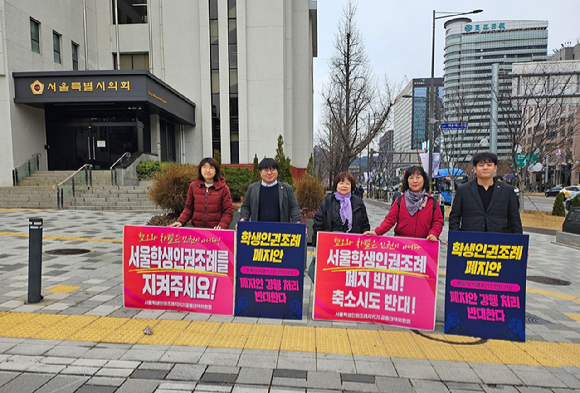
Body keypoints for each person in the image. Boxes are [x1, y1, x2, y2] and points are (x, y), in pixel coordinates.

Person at [308, 172, 370, 281]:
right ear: (336, 185)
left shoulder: (358, 203)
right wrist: (318, 243)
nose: (344, 186)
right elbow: (318, 223)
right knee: (331, 278)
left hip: (352, 249)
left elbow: (364, 225)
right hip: (331, 249)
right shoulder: (327, 202)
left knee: (348, 279)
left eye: (347, 183)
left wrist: (365, 245)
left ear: (352, 186)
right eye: (341, 183)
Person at [363, 166, 443, 241]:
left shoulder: (432, 202)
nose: (415, 181)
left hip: (424, 247)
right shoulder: (400, 201)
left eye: (418, 177)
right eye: (411, 178)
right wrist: (377, 232)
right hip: (401, 246)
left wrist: (433, 234)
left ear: (424, 180)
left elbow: (438, 222)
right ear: (407, 181)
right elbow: (389, 220)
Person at [449, 152, 522, 233]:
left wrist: (519, 241)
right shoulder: (463, 190)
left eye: (489, 165)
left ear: (495, 168)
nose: (485, 168)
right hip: (470, 240)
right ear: (475, 169)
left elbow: (515, 220)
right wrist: (455, 237)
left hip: (499, 240)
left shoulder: (508, 190)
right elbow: (454, 217)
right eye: (481, 165)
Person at [168, 157, 233, 229]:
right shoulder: (193, 186)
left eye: (211, 168)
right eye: (204, 167)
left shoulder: (223, 189)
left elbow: (228, 211)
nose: (207, 170)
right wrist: (180, 221)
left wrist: (221, 226)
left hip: (216, 231)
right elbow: (188, 208)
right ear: (200, 170)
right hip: (198, 231)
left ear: (216, 171)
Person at [239, 158, 302, 224]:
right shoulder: (252, 188)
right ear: (260, 172)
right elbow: (246, 207)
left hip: (281, 231)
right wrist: (243, 218)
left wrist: (297, 221)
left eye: (272, 170)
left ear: (277, 171)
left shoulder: (287, 188)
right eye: (266, 170)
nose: (269, 173)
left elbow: (294, 208)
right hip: (258, 231)